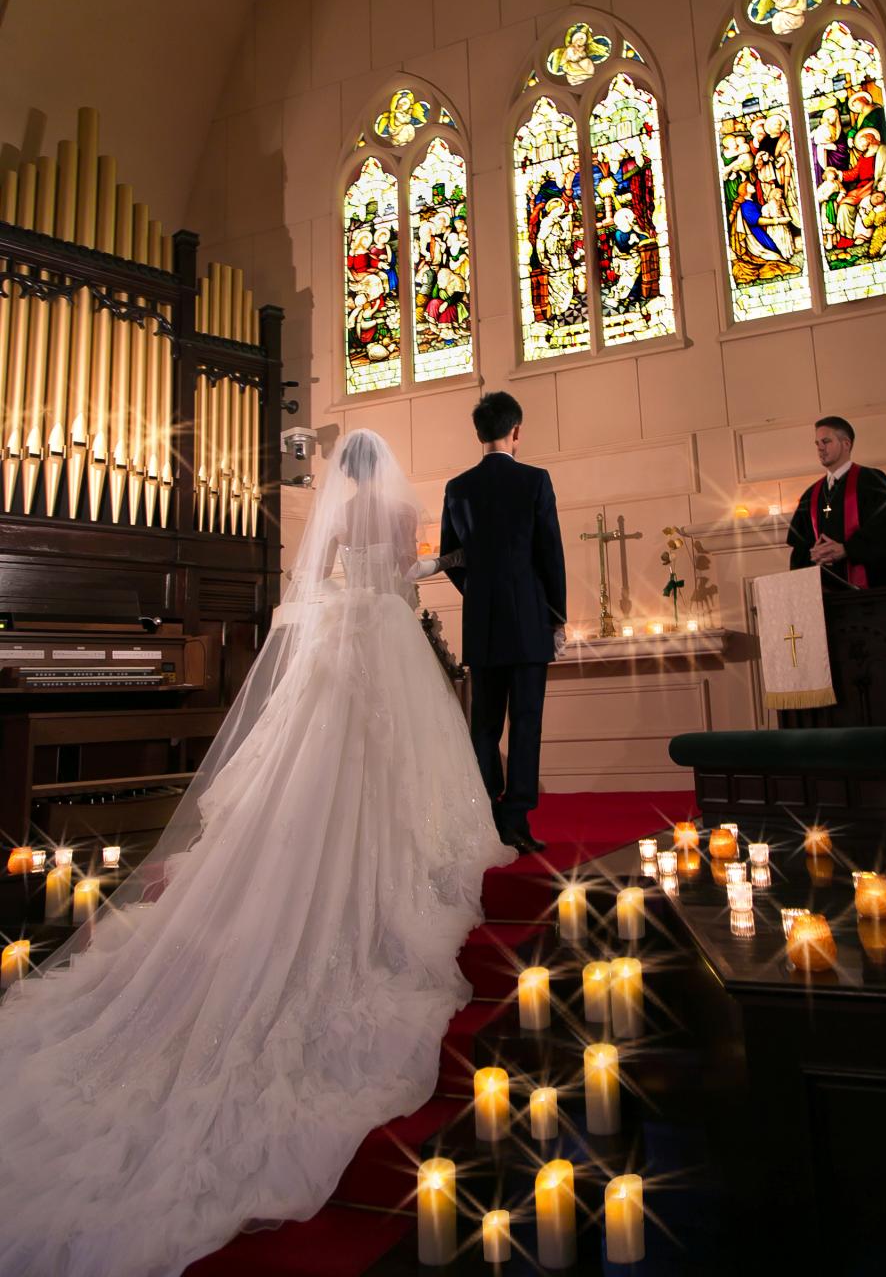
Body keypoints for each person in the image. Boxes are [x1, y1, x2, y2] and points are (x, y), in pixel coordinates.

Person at [0, 430, 511, 1277]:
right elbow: (406, 573)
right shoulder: (402, 508)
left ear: (338, 471)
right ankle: (398, 855)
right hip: (385, 631)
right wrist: (416, 573)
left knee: (318, 763)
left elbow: (321, 578)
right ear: (387, 471)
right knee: (396, 765)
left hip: (341, 633)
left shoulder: (339, 509)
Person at [436, 392, 566, 855]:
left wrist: (475, 591)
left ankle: (487, 812)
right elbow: (550, 553)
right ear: (517, 432)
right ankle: (517, 820)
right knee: (526, 722)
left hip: (482, 622)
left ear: (478, 434)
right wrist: (557, 617)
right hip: (530, 619)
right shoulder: (535, 480)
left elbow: (450, 557)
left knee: (484, 724)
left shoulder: (458, 487)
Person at [787, 415, 886, 590]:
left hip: (870, 594)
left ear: (846, 444)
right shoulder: (811, 494)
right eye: (817, 443)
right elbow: (799, 549)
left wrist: (848, 549)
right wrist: (813, 554)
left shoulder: (872, 481)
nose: (820, 448)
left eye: (826, 441)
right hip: (826, 598)